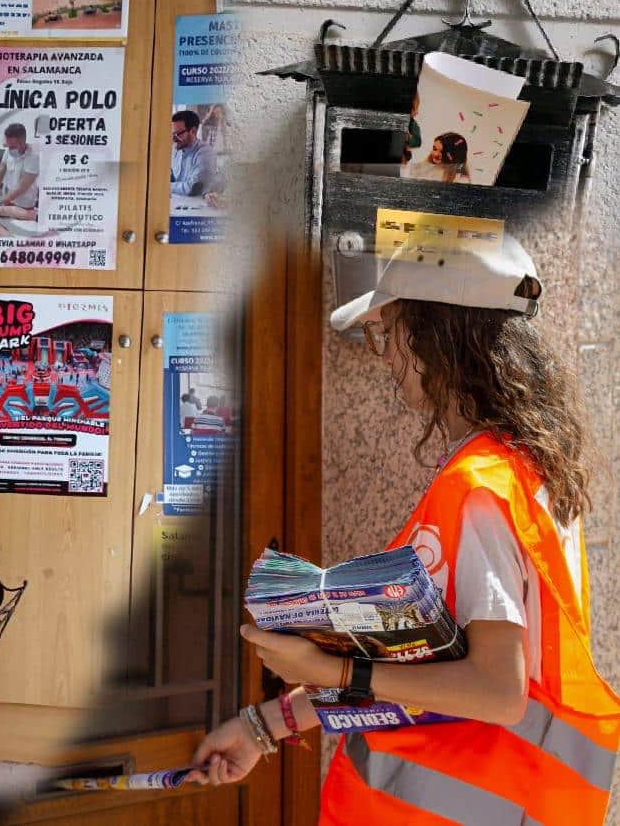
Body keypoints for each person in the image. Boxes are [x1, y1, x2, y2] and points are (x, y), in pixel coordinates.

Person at [187, 232, 620, 824]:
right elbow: (422, 659)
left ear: (439, 332)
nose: (385, 355)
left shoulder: (477, 491)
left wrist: (332, 670)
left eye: (388, 331)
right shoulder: (521, 470)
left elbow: (497, 690)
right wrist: (265, 726)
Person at [171, 110, 217, 197]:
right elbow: (171, 176)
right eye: (172, 135)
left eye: (177, 134)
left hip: (197, 207)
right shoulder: (177, 150)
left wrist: (167, 185)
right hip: (178, 203)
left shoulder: (205, 153)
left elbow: (192, 188)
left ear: (193, 131)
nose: (173, 139)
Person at [404, 131, 470, 183]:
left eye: (442, 152)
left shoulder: (461, 180)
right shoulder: (424, 167)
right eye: (435, 149)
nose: (435, 154)